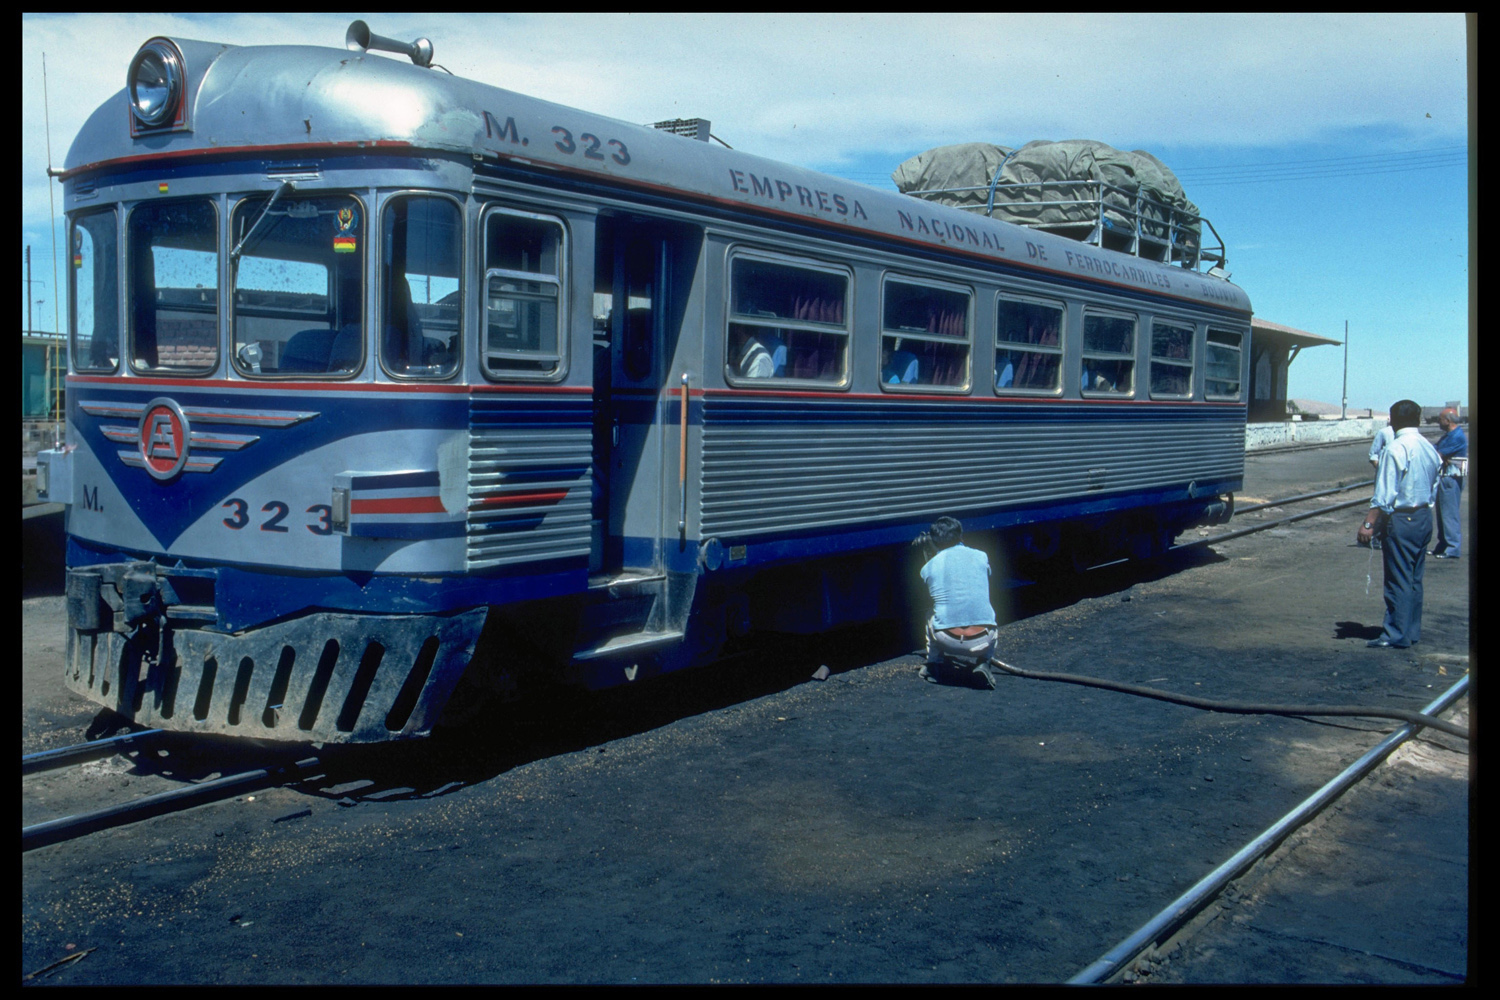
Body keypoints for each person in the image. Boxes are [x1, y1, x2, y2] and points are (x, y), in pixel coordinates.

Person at [1357, 399, 1442, 649]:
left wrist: (1368, 525)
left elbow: (1384, 496)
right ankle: (1410, 631)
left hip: (1402, 519)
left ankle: (1395, 634)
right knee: (1414, 578)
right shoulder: (1429, 448)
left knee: (1398, 578)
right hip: (1424, 516)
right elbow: (1435, 485)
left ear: (1393, 420)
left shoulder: (1394, 449)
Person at [915, 516, 999, 689]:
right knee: (989, 615)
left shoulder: (929, 566)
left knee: (930, 613)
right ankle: (984, 662)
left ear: (934, 540)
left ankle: (934, 664)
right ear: (961, 536)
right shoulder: (981, 556)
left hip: (947, 639)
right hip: (982, 640)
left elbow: (930, 588)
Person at [1432, 408, 1468, 558]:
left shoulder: (1456, 437)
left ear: (1448, 420)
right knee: (1442, 513)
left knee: (1449, 513)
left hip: (1451, 478)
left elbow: (1438, 453)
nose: (1438, 422)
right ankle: (1442, 546)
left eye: (1440, 419)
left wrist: (1440, 454)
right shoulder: (1449, 435)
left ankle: (1452, 548)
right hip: (1445, 477)